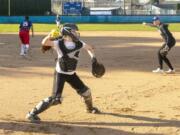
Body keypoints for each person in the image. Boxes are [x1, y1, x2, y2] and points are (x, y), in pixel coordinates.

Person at [26, 23, 100, 122]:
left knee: (86, 92)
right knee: (55, 99)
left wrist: (93, 58)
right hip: (60, 73)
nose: (76, 33)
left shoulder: (79, 43)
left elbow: (89, 48)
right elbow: (44, 42)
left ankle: (90, 109)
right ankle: (31, 114)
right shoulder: (59, 43)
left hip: (71, 74)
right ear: (68, 33)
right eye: (74, 31)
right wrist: (50, 35)